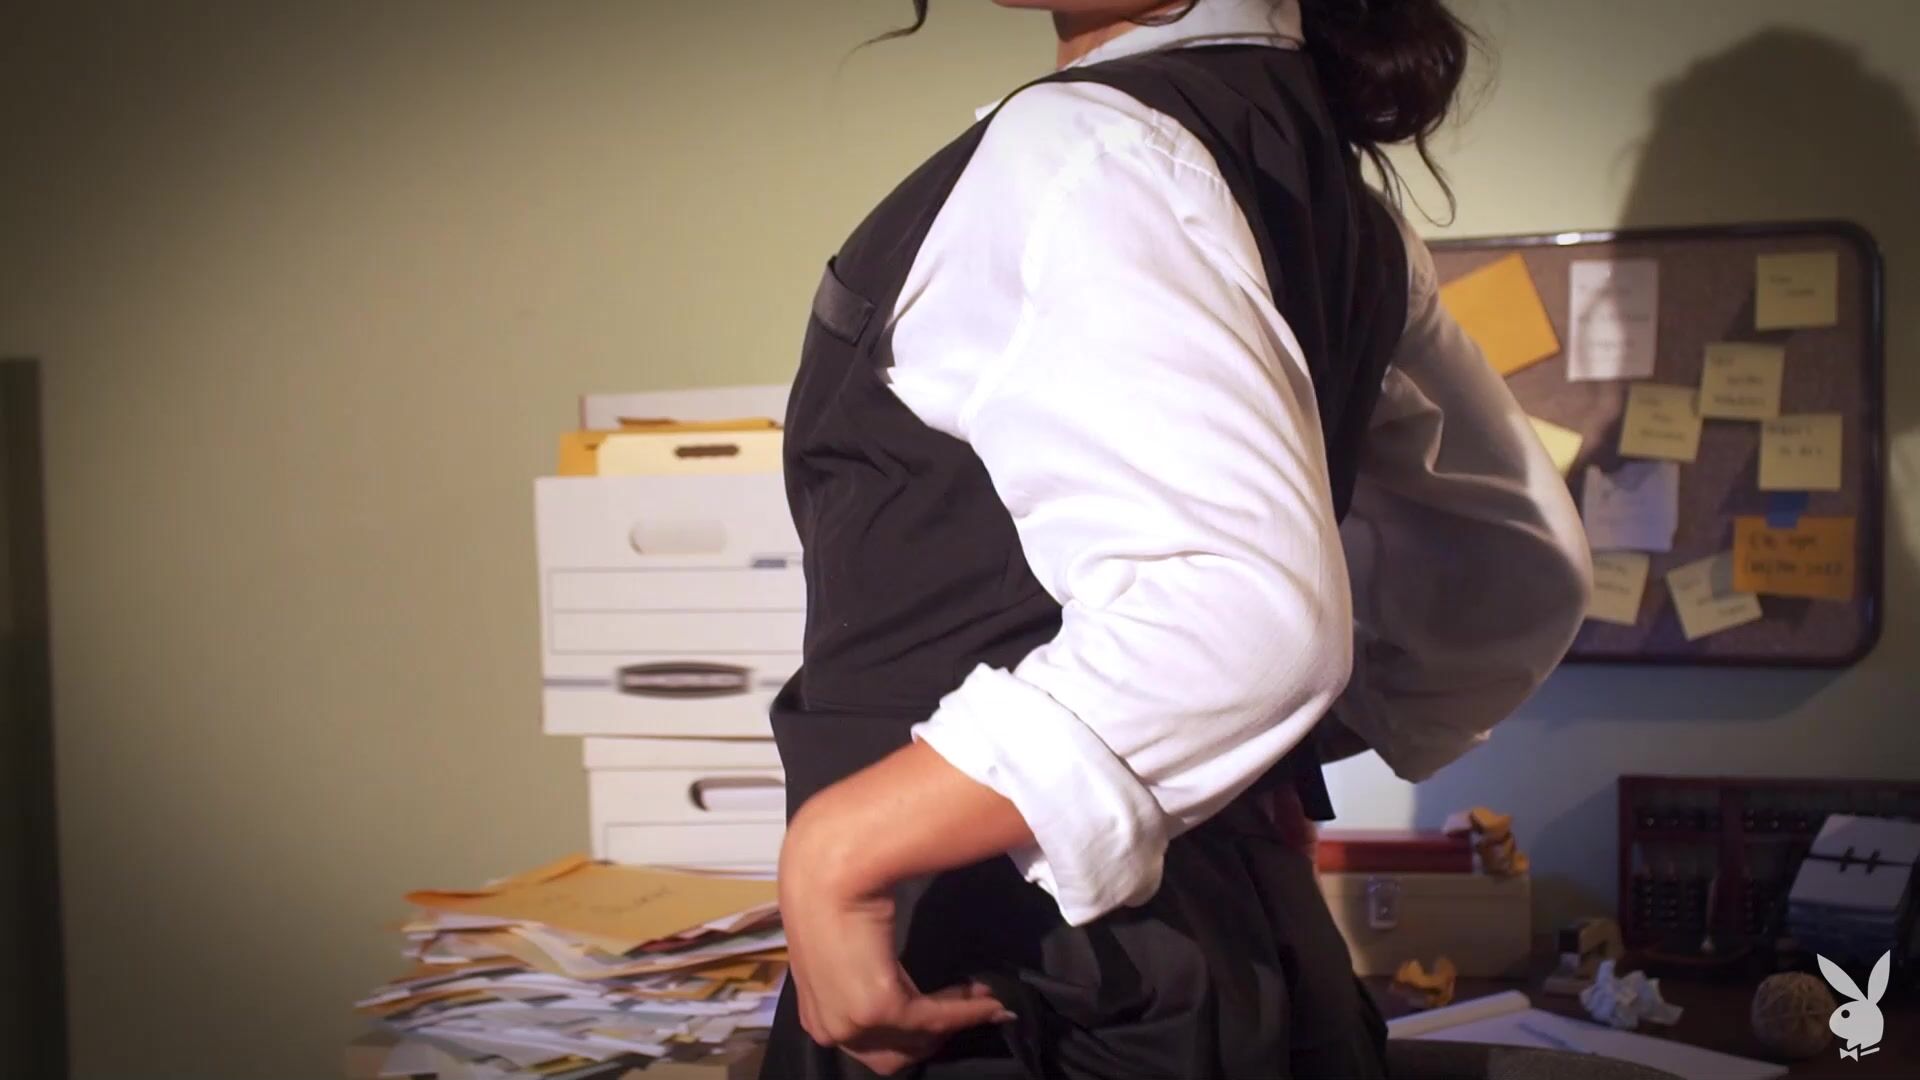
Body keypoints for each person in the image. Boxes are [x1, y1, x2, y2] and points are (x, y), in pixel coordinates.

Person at [765, 1, 1591, 1076]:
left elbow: (1245, 615)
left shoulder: (1086, 149)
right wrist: (1240, 764)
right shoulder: (1333, 199)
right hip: (1217, 956)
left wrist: (840, 848)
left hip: (1019, 981)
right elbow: (1512, 576)